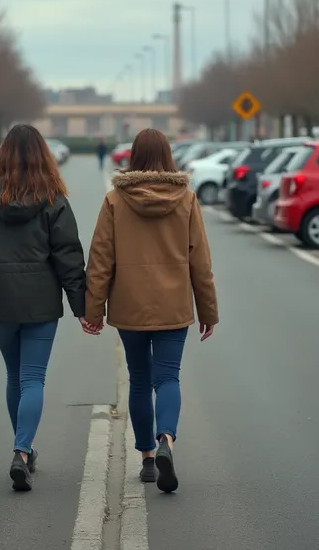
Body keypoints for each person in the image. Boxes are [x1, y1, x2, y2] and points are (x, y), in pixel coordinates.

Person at [0, 124, 97, 492]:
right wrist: (82, 306)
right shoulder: (53, 198)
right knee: (33, 378)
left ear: (2, 155)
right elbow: (69, 256)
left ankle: (24, 449)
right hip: (39, 300)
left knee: (14, 376)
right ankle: (21, 451)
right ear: (44, 157)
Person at [84, 128, 218, 493]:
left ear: (134, 157)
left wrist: (92, 311)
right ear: (168, 156)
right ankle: (166, 442)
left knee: (139, 380)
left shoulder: (115, 200)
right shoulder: (187, 199)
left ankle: (146, 459)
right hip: (174, 303)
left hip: (130, 304)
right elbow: (199, 261)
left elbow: (100, 260)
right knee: (168, 378)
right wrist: (208, 311)